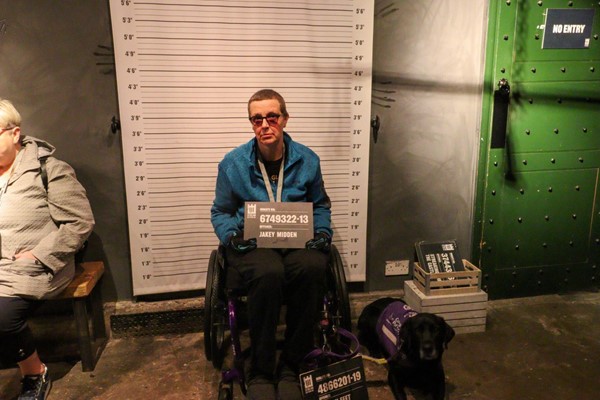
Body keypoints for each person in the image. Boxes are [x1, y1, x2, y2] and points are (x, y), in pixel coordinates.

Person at [211, 89, 332, 400]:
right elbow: (221, 211)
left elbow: (320, 205)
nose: (264, 124)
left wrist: (322, 232)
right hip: (254, 242)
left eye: (271, 117)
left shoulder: (308, 160)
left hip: (295, 239)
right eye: (257, 119)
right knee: (268, 273)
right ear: (252, 124)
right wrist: (231, 237)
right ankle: (262, 371)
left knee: (313, 266)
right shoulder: (233, 163)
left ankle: (293, 365)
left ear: (285, 119)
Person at [0, 99, 95, 400]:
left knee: (1, 316)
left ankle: (34, 372)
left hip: (38, 264)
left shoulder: (49, 169)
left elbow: (79, 222)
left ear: (14, 134)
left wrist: (38, 254)